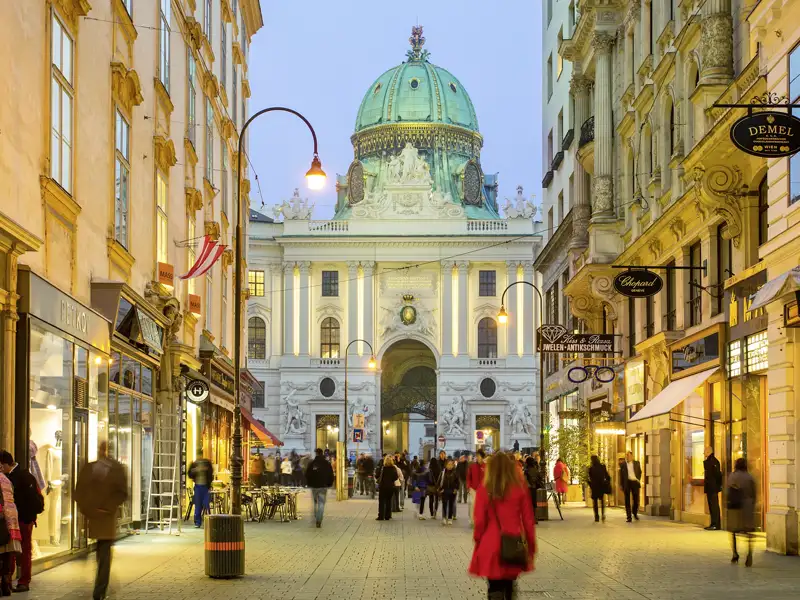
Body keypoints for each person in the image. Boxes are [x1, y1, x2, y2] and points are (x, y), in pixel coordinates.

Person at [469, 452, 536, 600]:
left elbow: (479, 520)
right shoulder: (520, 487)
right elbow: (528, 520)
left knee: (494, 586)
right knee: (509, 583)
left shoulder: (485, 488)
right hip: (513, 542)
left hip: (491, 543)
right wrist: (531, 546)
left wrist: (478, 539)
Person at [75, 442, 127, 600]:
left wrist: (102, 509)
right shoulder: (92, 468)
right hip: (98, 516)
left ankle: (100, 590)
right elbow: (79, 492)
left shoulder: (113, 469)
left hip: (103, 517)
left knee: (103, 552)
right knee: (103, 553)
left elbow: (121, 493)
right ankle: (100, 590)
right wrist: (91, 510)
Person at [0, 451, 44, 593]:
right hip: (14, 521)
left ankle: (23, 581)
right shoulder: (10, 476)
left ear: (4, 464)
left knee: (23, 551)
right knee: (11, 551)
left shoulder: (23, 476)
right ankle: (10, 580)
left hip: (23, 520)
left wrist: (27, 518)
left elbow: (32, 499)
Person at [727, 458, 756, 566]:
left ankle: (735, 553)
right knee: (749, 532)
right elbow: (754, 493)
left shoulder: (733, 476)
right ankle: (749, 554)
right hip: (747, 506)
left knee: (733, 531)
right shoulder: (749, 477)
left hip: (735, 506)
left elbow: (728, 491)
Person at [0, 468, 22, 596]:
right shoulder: (5, 479)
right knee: (7, 554)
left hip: (2, 520)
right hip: (11, 519)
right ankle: (6, 583)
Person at [305, 448, 334, 528]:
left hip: (314, 486)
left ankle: (316, 517)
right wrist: (329, 484)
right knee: (321, 503)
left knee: (315, 502)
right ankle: (319, 519)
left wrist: (309, 483)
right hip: (323, 486)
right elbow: (331, 474)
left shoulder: (312, 463)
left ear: (316, 453)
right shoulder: (327, 463)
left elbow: (307, 474)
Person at [188, 450, 214, 528]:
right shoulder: (194, 464)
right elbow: (189, 474)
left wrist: (206, 470)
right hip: (198, 487)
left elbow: (211, 472)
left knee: (206, 504)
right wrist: (195, 470)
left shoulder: (207, 463)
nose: (199, 456)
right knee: (198, 505)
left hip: (205, 487)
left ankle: (208, 521)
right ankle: (198, 522)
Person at [703, 446, 723, 531]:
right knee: (712, 506)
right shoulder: (712, 461)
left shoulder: (712, 462)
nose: (704, 453)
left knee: (714, 506)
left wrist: (717, 485)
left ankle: (715, 524)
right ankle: (714, 523)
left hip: (712, 487)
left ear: (708, 452)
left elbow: (717, 475)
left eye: (705, 451)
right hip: (712, 487)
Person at [619, 451, 642, 522]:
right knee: (627, 500)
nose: (627, 457)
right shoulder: (623, 465)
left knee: (636, 500)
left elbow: (640, 472)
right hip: (627, 483)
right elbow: (621, 476)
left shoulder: (637, 463)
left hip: (635, 482)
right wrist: (621, 485)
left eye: (628, 456)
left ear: (632, 456)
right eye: (626, 456)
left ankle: (634, 513)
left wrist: (637, 479)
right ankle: (629, 517)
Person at [587, 455, 611, 523]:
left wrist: (590, 484)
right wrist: (607, 482)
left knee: (595, 502)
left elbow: (589, 478)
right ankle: (603, 514)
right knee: (602, 501)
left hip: (594, 487)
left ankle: (596, 517)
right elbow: (607, 476)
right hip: (601, 486)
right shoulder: (602, 467)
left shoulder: (591, 468)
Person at [467, 449, 487, 526]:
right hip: (473, 488)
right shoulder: (472, 466)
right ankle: (472, 521)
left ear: (482, 457)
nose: (477, 457)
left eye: (478, 456)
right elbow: (468, 477)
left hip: (483, 489)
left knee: (482, 506)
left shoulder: (486, 466)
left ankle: (481, 520)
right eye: (477, 456)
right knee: (472, 504)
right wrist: (468, 486)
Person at [376, 456, 398, 521]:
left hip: (383, 487)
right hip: (391, 487)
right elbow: (396, 477)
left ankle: (381, 516)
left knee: (381, 502)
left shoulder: (383, 468)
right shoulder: (394, 468)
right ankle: (387, 516)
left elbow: (377, 475)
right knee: (389, 501)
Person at [439, 459, 459, 525]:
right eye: (448, 464)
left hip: (452, 490)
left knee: (451, 505)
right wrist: (440, 489)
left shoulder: (455, 473)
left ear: (453, 465)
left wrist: (456, 489)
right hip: (444, 490)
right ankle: (444, 518)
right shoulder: (443, 472)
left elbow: (457, 482)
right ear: (446, 465)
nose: (450, 466)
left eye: (451, 464)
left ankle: (450, 518)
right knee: (444, 504)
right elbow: (440, 481)